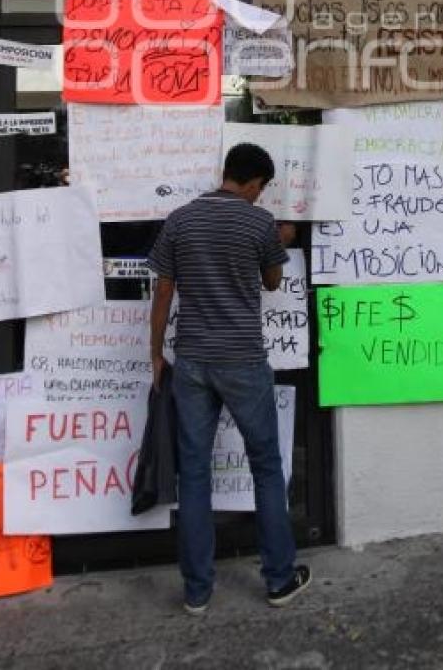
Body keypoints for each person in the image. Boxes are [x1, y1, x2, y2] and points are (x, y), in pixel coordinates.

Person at [148, 141, 311, 614]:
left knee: (194, 473)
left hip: (193, 360)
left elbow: (163, 291)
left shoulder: (180, 219)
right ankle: (279, 580)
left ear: (226, 173)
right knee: (265, 465)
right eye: (262, 189)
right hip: (242, 359)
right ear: (255, 183)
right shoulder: (258, 222)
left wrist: (156, 353)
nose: (260, 197)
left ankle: (197, 592)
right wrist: (280, 240)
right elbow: (273, 282)